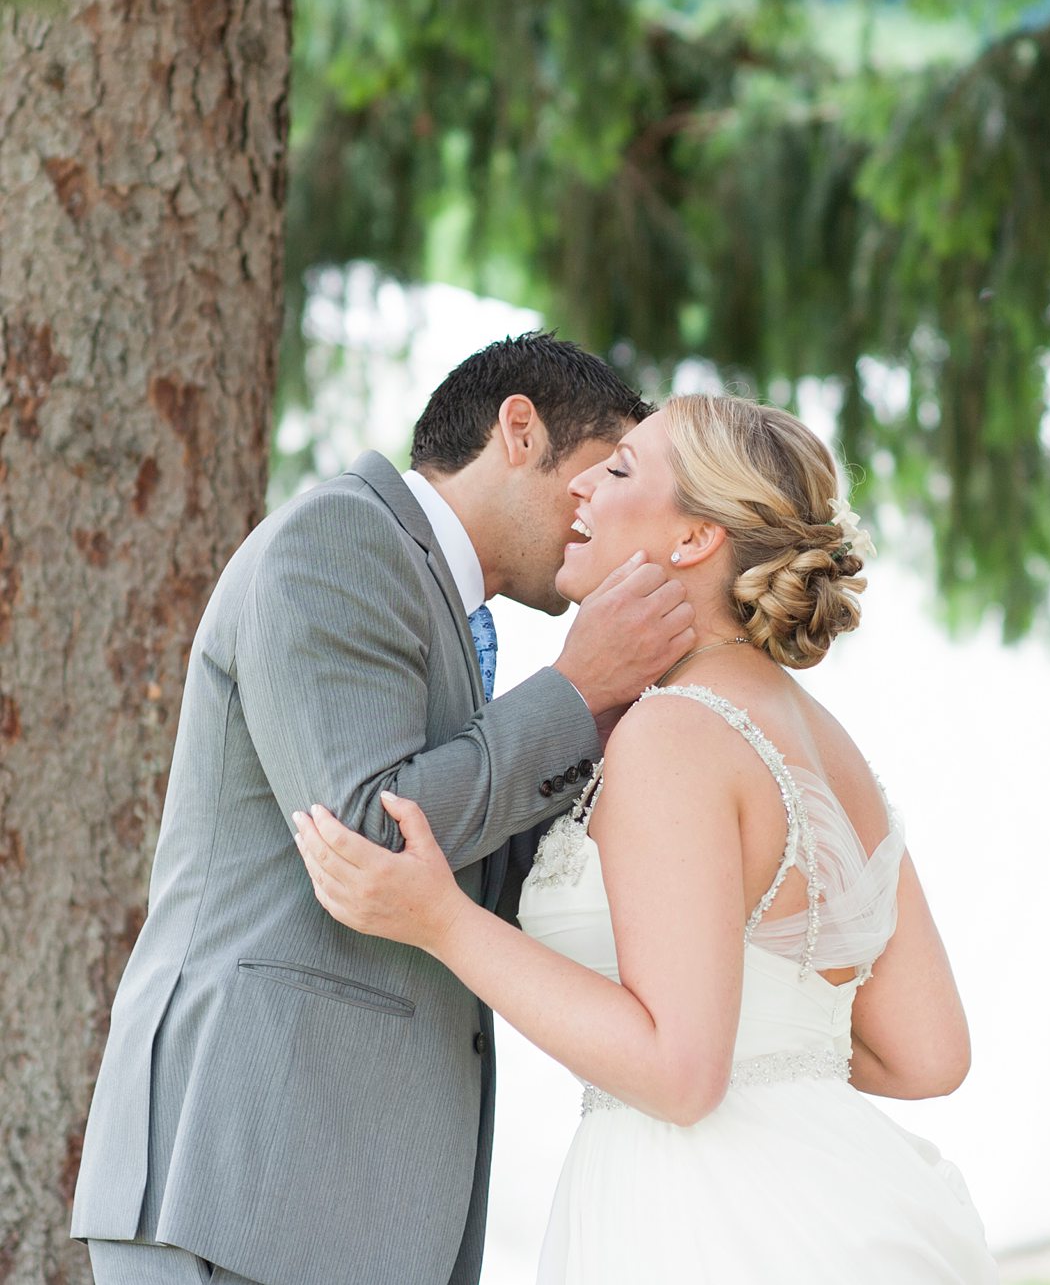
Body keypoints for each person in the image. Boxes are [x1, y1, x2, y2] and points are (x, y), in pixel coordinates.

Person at [295, 392, 1001, 1284]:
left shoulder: (675, 731)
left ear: (695, 540)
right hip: (843, 1200)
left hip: (699, 1222)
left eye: (622, 468)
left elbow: (679, 1072)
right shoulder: (832, 747)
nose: (584, 482)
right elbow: (929, 1052)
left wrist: (444, 921)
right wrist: (775, 1055)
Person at [71, 333, 699, 1285]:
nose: (602, 509)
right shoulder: (340, 540)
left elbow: (473, 862)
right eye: (602, 467)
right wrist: (574, 689)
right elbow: (370, 839)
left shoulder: (456, 612)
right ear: (519, 429)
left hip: (349, 1196)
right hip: (240, 1180)